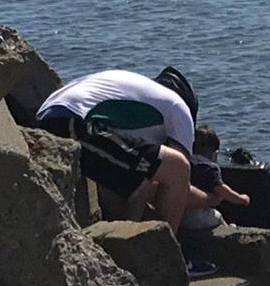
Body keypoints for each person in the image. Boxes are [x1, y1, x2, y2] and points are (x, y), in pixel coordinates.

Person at [32, 65, 210, 236]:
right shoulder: (180, 108)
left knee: (137, 184)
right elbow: (180, 183)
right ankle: (166, 257)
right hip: (71, 123)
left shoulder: (139, 94)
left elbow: (145, 175)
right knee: (178, 167)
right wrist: (213, 198)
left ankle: (126, 250)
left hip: (50, 117)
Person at [179, 124, 252, 273]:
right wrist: (240, 198)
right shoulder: (210, 168)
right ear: (214, 153)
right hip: (197, 217)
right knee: (218, 216)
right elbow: (221, 189)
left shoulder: (186, 161)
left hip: (180, 214)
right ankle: (227, 231)